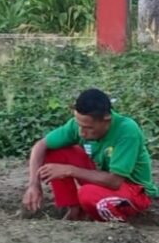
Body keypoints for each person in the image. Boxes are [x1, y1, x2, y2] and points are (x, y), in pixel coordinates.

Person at [22, 88, 157, 222]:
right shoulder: (80, 125)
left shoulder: (127, 130)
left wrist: (69, 170)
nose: (81, 132)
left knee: (88, 194)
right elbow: (41, 146)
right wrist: (34, 184)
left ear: (106, 119)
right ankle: (75, 209)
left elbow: (115, 181)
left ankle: (113, 222)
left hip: (134, 191)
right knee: (55, 152)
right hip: (102, 181)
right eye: (79, 125)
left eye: (88, 128)